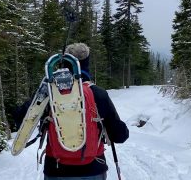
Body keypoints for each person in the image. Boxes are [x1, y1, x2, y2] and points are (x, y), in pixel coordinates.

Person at [44, 43, 129, 180]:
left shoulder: (50, 93)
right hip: (93, 169)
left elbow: (22, 119)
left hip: (56, 169)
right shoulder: (98, 93)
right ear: (86, 64)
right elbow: (120, 136)